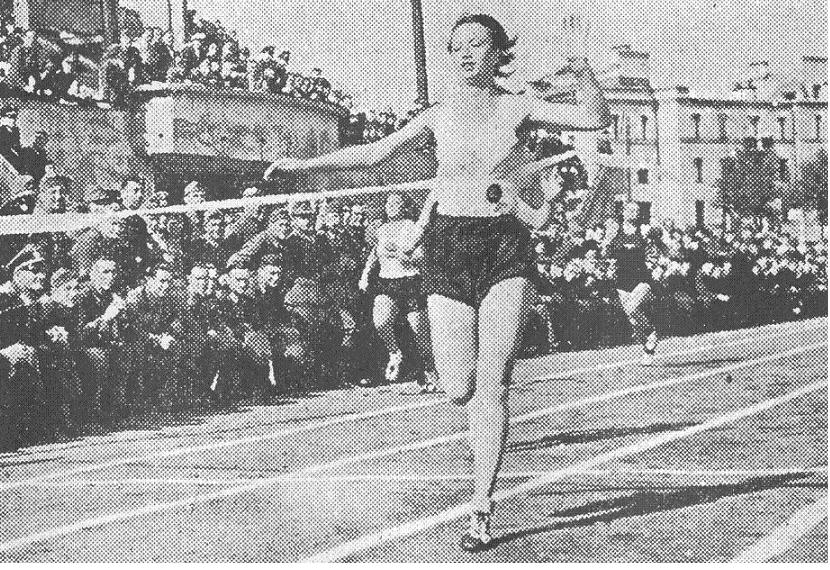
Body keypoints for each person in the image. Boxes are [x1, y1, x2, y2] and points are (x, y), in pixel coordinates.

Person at [264, 12, 609, 551]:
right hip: (447, 245)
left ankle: (481, 505)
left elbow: (593, 118)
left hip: (503, 245)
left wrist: (582, 68)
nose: (469, 54)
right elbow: (373, 154)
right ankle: (474, 446)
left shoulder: (519, 106)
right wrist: (302, 166)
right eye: (459, 46)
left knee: (493, 382)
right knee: (458, 387)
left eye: (480, 45)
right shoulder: (438, 114)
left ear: (499, 54)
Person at [358, 192, 437, 392]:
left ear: (404, 206)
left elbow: (422, 256)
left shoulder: (411, 226)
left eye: (396, 203)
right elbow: (374, 254)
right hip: (387, 281)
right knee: (381, 321)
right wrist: (365, 274)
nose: (391, 206)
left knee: (419, 333)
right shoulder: (381, 229)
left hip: (409, 282)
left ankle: (429, 370)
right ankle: (394, 352)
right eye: (389, 203)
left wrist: (405, 256)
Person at [606, 201, 659, 365]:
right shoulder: (615, 230)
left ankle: (651, 334)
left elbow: (654, 252)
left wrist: (653, 265)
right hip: (622, 279)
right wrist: (609, 265)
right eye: (629, 210)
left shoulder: (643, 230)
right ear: (623, 212)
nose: (633, 212)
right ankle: (648, 346)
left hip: (641, 278)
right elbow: (607, 252)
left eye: (636, 210)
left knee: (633, 308)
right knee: (633, 320)